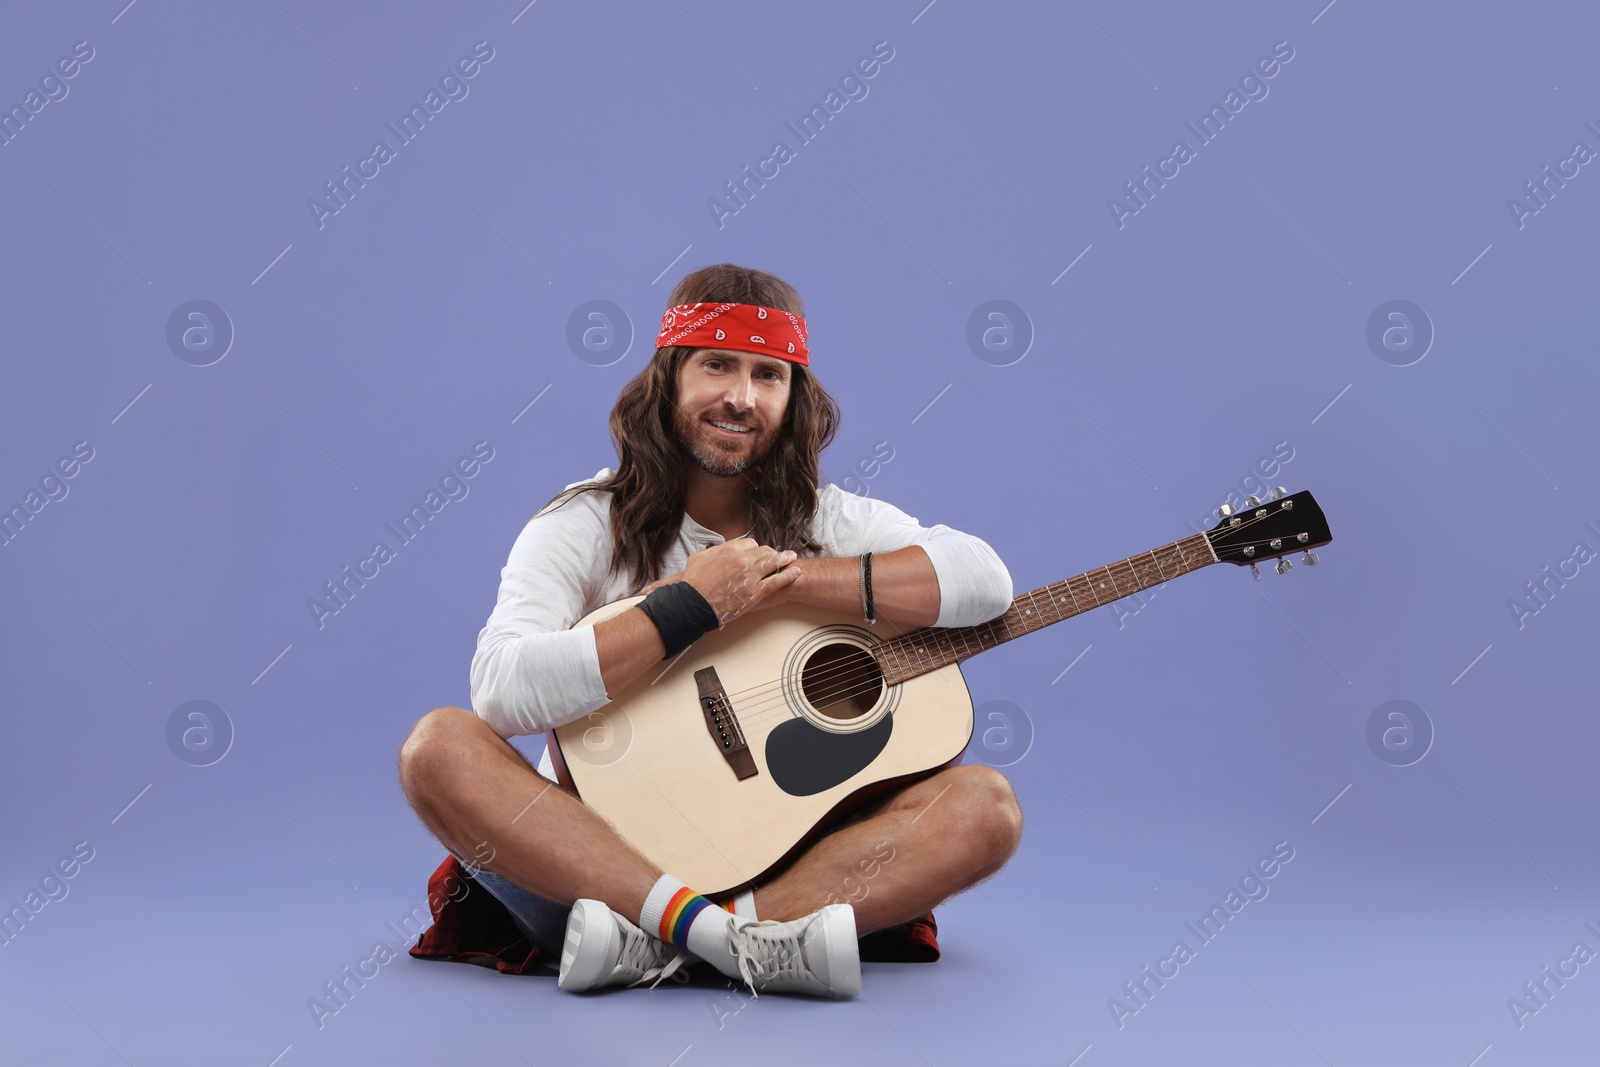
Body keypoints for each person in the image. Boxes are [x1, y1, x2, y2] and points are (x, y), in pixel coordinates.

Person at [398, 263, 1023, 1000]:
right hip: (593, 874)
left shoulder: (829, 520)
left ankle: (671, 942)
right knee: (437, 745)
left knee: (986, 806)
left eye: (768, 375)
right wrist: (686, 608)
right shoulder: (583, 521)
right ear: (668, 380)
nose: (741, 396)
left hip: (777, 864)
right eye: (717, 365)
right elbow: (501, 689)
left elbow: (986, 580)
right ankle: (737, 943)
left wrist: (773, 586)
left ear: (793, 402)